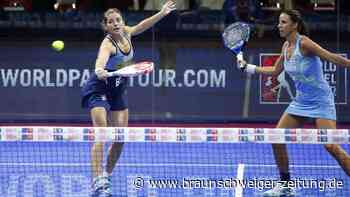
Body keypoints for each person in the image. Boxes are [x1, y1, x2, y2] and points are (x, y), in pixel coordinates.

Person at [238, 9, 350, 196]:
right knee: (277, 137)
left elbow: (332, 57)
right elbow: (275, 71)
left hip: (321, 101)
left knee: (331, 145)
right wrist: (248, 68)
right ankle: (286, 185)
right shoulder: (285, 46)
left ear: (294, 25)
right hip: (301, 101)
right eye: (279, 22)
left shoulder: (304, 43)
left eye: (283, 22)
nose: (279, 26)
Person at [81, 1, 176, 196]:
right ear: (105, 26)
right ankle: (96, 179)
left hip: (117, 88)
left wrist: (162, 13)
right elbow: (100, 60)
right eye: (110, 21)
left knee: (120, 138)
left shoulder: (126, 32)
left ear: (122, 22)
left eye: (118, 20)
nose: (115, 24)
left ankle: (106, 175)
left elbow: (142, 25)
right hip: (99, 88)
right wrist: (100, 70)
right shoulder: (107, 44)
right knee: (102, 134)